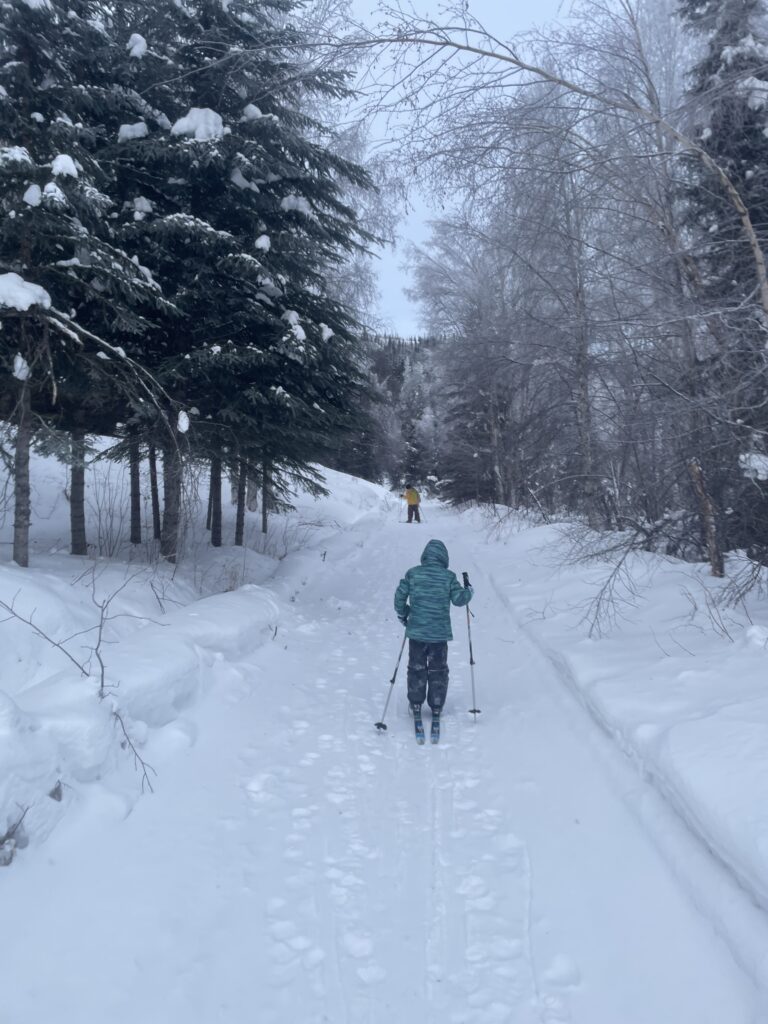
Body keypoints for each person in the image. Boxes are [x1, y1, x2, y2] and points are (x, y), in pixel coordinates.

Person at [393, 539, 473, 718]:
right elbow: (459, 599)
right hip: (439, 635)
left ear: (425, 556)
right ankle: (436, 704)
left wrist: (403, 613)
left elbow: (399, 595)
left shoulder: (413, 574)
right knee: (438, 669)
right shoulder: (449, 577)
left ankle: (415, 702)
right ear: (444, 558)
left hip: (417, 633)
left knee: (416, 667)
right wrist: (469, 592)